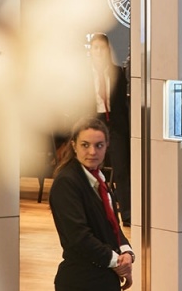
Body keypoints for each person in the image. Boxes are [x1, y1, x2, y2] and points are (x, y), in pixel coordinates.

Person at [48, 116, 135, 290]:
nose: (92, 152)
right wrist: (117, 262)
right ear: (74, 146)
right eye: (85, 145)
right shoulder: (67, 183)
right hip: (81, 281)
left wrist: (126, 252)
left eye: (99, 145)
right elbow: (78, 237)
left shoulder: (99, 178)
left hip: (104, 278)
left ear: (107, 146)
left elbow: (113, 226)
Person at [89, 33, 130, 224]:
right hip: (93, 122)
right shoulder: (83, 75)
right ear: (91, 51)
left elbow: (122, 103)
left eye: (102, 48)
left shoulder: (117, 72)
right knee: (91, 168)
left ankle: (127, 214)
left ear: (108, 50)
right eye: (95, 48)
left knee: (121, 168)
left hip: (114, 123)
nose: (99, 52)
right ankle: (94, 213)